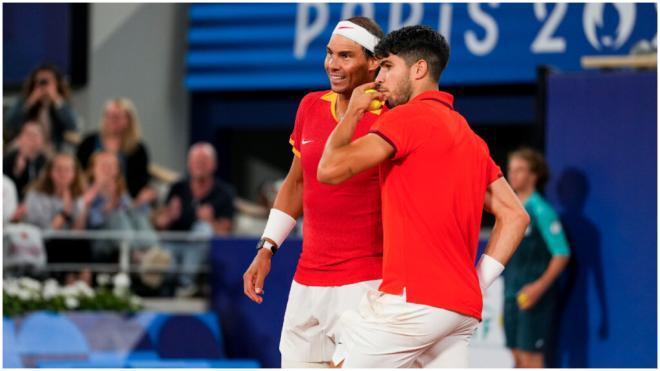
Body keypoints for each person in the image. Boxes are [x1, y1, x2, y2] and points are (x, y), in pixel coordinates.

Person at [316, 25, 530, 367]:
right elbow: (515, 216)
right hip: (459, 311)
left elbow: (329, 170)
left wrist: (355, 111)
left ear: (419, 69)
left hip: (412, 300)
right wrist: (476, 284)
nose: (378, 76)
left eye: (387, 66)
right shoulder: (471, 138)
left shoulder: (405, 118)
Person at [242, 17, 387, 368]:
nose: (332, 65)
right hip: (308, 278)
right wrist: (266, 248)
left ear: (373, 63)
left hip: (366, 279)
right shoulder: (310, 106)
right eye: (329, 54)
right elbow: (295, 182)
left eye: (345, 56)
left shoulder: (394, 116)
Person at [504, 147, 571, 368]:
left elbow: (561, 254)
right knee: (516, 357)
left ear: (534, 175)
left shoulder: (542, 210)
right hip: (511, 294)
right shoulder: (511, 209)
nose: (513, 175)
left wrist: (538, 288)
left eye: (520, 169)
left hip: (533, 295)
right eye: (511, 169)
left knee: (531, 358)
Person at [154, 142, 235, 296]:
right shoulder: (177, 188)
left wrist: (210, 221)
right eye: (196, 161)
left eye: (204, 162)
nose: (199, 165)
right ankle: (170, 285)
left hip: (204, 254)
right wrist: (169, 216)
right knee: (166, 255)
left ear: (213, 165)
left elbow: (226, 235)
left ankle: (186, 284)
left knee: (203, 230)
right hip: (174, 247)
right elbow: (159, 225)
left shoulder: (224, 193)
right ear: (189, 164)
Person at [23, 153, 90, 283]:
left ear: (74, 174)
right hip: (42, 245)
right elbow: (47, 233)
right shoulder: (35, 196)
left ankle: (84, 289)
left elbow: (78, 233)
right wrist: (65, 211)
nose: (63, 174)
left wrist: (82, 208)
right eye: (58, 169)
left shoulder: (78, 197)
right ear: (49, 172)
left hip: (69, 246)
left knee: (83, 245)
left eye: (67, 170)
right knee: (62, 244)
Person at [76, 97, 155, 204]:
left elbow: (141, 183)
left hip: (124, 202)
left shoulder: (138, 149)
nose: (111, 120)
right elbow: (78, 172)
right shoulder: (88, 142)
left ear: (128, 120)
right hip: (91, 198)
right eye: (108, 116)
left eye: (116, 117)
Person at [4, 64, 78, 150]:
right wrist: (30, 102)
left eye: (47, 82)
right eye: (40, 82)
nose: (43, 86)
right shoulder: (24, 101)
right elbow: (9, 123)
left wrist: (56, 99)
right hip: (27, 148)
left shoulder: (61, 103)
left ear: (57, 83)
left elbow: (73, 125)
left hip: (53, 150)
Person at [3, 120, 48, 205]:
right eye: (28, 135)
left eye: (36, 135)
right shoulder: (10, 158)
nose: (32, 139)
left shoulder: (45, 160)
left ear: (42, 140)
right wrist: (17, 170)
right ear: (20, 138)